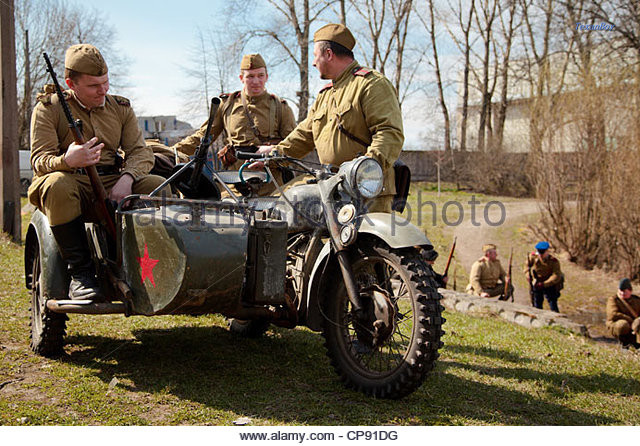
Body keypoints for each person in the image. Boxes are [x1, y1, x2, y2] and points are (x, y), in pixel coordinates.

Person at [29, 44, 168, 301]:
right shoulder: (48, 108)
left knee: (157, 185)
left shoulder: (120, 107)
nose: (103, 90)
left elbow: (140, 151)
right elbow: (39, 160)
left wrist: (127, 179)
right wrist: (67, 160)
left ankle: (151, 266)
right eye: (94, 86)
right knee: (57, 185)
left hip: (113, 180)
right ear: (71, 83)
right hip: (71, 182)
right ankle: (80, 274)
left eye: (105, 82)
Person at [255, 23, 404, 212]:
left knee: (366, 240)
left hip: (366, 191)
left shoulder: (371, 84)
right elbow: (304, 136)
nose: (314, 62)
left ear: (328, 54)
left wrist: (363, 172)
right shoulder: (325, 94)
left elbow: (389, 133)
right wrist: (274, 154)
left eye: (315, 55)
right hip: (331, 188)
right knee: (278, 211)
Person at [171, 53, 296, 195]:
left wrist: (272, 151)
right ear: (241, 78)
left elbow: (293, 145)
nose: (256, 81)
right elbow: (203, 136)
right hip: (234, 184)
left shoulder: (281, 107)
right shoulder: (227, 104)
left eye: (260, 75)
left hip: (272, 184)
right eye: (250, 76)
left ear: (267, 77)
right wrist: (172, 151)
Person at [525, 241, 564, 312]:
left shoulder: (554, 261)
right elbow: (527, 267)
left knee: (553, 304)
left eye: (543, 252)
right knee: (537, 304)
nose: (541, 255)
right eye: (539, 252)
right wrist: (528, 275)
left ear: (547, 251)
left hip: (550, 284)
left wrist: (544, 284)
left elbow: (556, 275)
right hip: (537, 282)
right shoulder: (533, 257)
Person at [606, 278, 640, 348]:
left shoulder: (636, 300)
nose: (622, 293)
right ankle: (624, 344)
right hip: (617, 325)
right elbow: (613, 314)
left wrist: (637, 322)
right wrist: (630, 320)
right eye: (620, 291)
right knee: (623, 325)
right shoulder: (613, 300)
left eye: (624, 292)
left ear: (630, 291)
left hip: (634, 326)